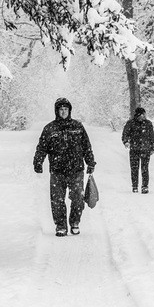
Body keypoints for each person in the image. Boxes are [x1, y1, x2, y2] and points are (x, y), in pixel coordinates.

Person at [33, 98, 95, 237]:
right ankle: (61, 226)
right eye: (61, 109)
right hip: (57, 170)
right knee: (57, 200)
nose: (63, 112)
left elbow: (86, 146)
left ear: (69, 110)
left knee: (78, 198)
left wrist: (90, 162)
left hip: (76, 169)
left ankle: (74, 222)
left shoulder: (78, 127)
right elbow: (42, 148)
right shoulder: (49, 128)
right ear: (56, 111)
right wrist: (38, 161)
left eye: (66, 109)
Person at [122, 107, 154, 194]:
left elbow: (151, 136)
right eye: (142, 114)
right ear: (138, 115)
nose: (143, 116)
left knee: (145, 169)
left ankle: (144, 187)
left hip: (146, 149)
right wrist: (126, 142)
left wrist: (152, 147)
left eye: (144, 114)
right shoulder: (130, 123)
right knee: (134, 169)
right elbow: (125, 134)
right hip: (134, 149)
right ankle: (135, 186)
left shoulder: (148, 124)